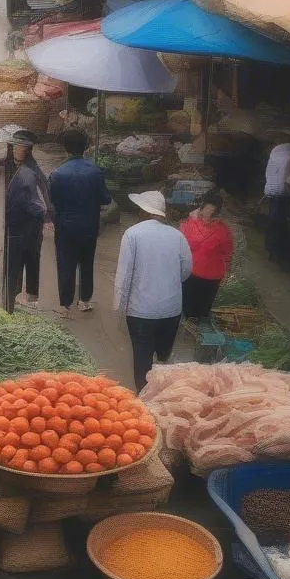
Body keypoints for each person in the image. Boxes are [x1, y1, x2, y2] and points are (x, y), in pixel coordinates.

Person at [114, 190, 193, 392]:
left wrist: (120, 308)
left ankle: (144, 399)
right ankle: (164, 394)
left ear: (142, 211)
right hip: (171, 309)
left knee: (142, 357)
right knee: (163, 356)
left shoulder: (132, 235)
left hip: (141, 310)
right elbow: (186, 270)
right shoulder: (178, 235)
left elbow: (124, 276)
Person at [49, 129, 112, 318]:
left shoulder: (57, 174)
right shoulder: (95, 171)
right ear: (85, 147)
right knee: (87, 262)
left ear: (66, 148)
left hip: (65, 226)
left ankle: (64, 305)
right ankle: (84, 300)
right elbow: (106, 199)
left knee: (65, 263)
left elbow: (52, 202)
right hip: (89, 226)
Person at [5, 129, 52, 309]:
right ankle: (16, 303)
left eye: (20, 147)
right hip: (19, 228)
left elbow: (42, 205)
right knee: (20, 266)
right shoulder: (12, 169)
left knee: (26, 265)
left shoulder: (31, 173)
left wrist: (27, 208)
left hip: (27, 229)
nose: (16, 150)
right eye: (15, 146)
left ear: (28, 150)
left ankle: (25, 302)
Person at [179, 191, 234, 319]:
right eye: (206, 211)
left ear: (217, 213)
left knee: (201, 310)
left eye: (213, 213)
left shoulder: (222, 230)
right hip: (191, 274)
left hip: (211, 277)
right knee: (189, 308)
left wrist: (228, 271)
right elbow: (181, 247)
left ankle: (196, 327)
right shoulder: (188, 224)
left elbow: (228, 252)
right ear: (201, 209)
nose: (208, 217)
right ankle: (190, 326)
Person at [263, 130, 290, 262]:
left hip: (273, 190)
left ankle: (271, 249)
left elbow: (270, 172)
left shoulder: (276, 152)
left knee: (274, 219)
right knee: (280, 221)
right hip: (284, 192)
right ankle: (276, 251)